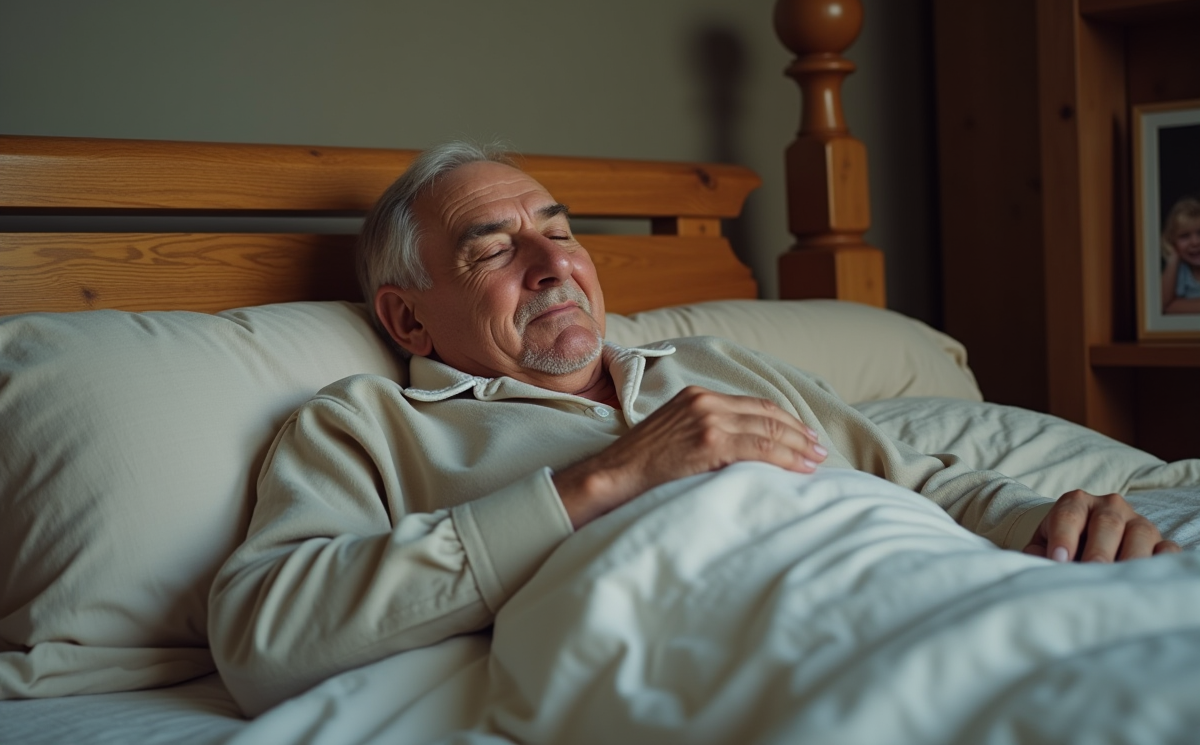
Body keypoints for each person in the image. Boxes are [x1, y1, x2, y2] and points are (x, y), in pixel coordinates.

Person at [208, 141, 1180, 717]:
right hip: (740, 643)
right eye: (495, 249)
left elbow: (916, 476)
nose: (554, 263)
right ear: (410, 319)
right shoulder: (368, 424)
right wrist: (602, 480)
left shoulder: (712, 365)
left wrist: (1051, 518)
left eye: (561, 229)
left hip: (923, 576)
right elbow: (263, 637)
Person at [1160, 195, 1200, 315]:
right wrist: (1174, 257)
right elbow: (1165, 305)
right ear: (1173, 243)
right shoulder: (1180, 271)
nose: (1195, 242)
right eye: (1184, 236)